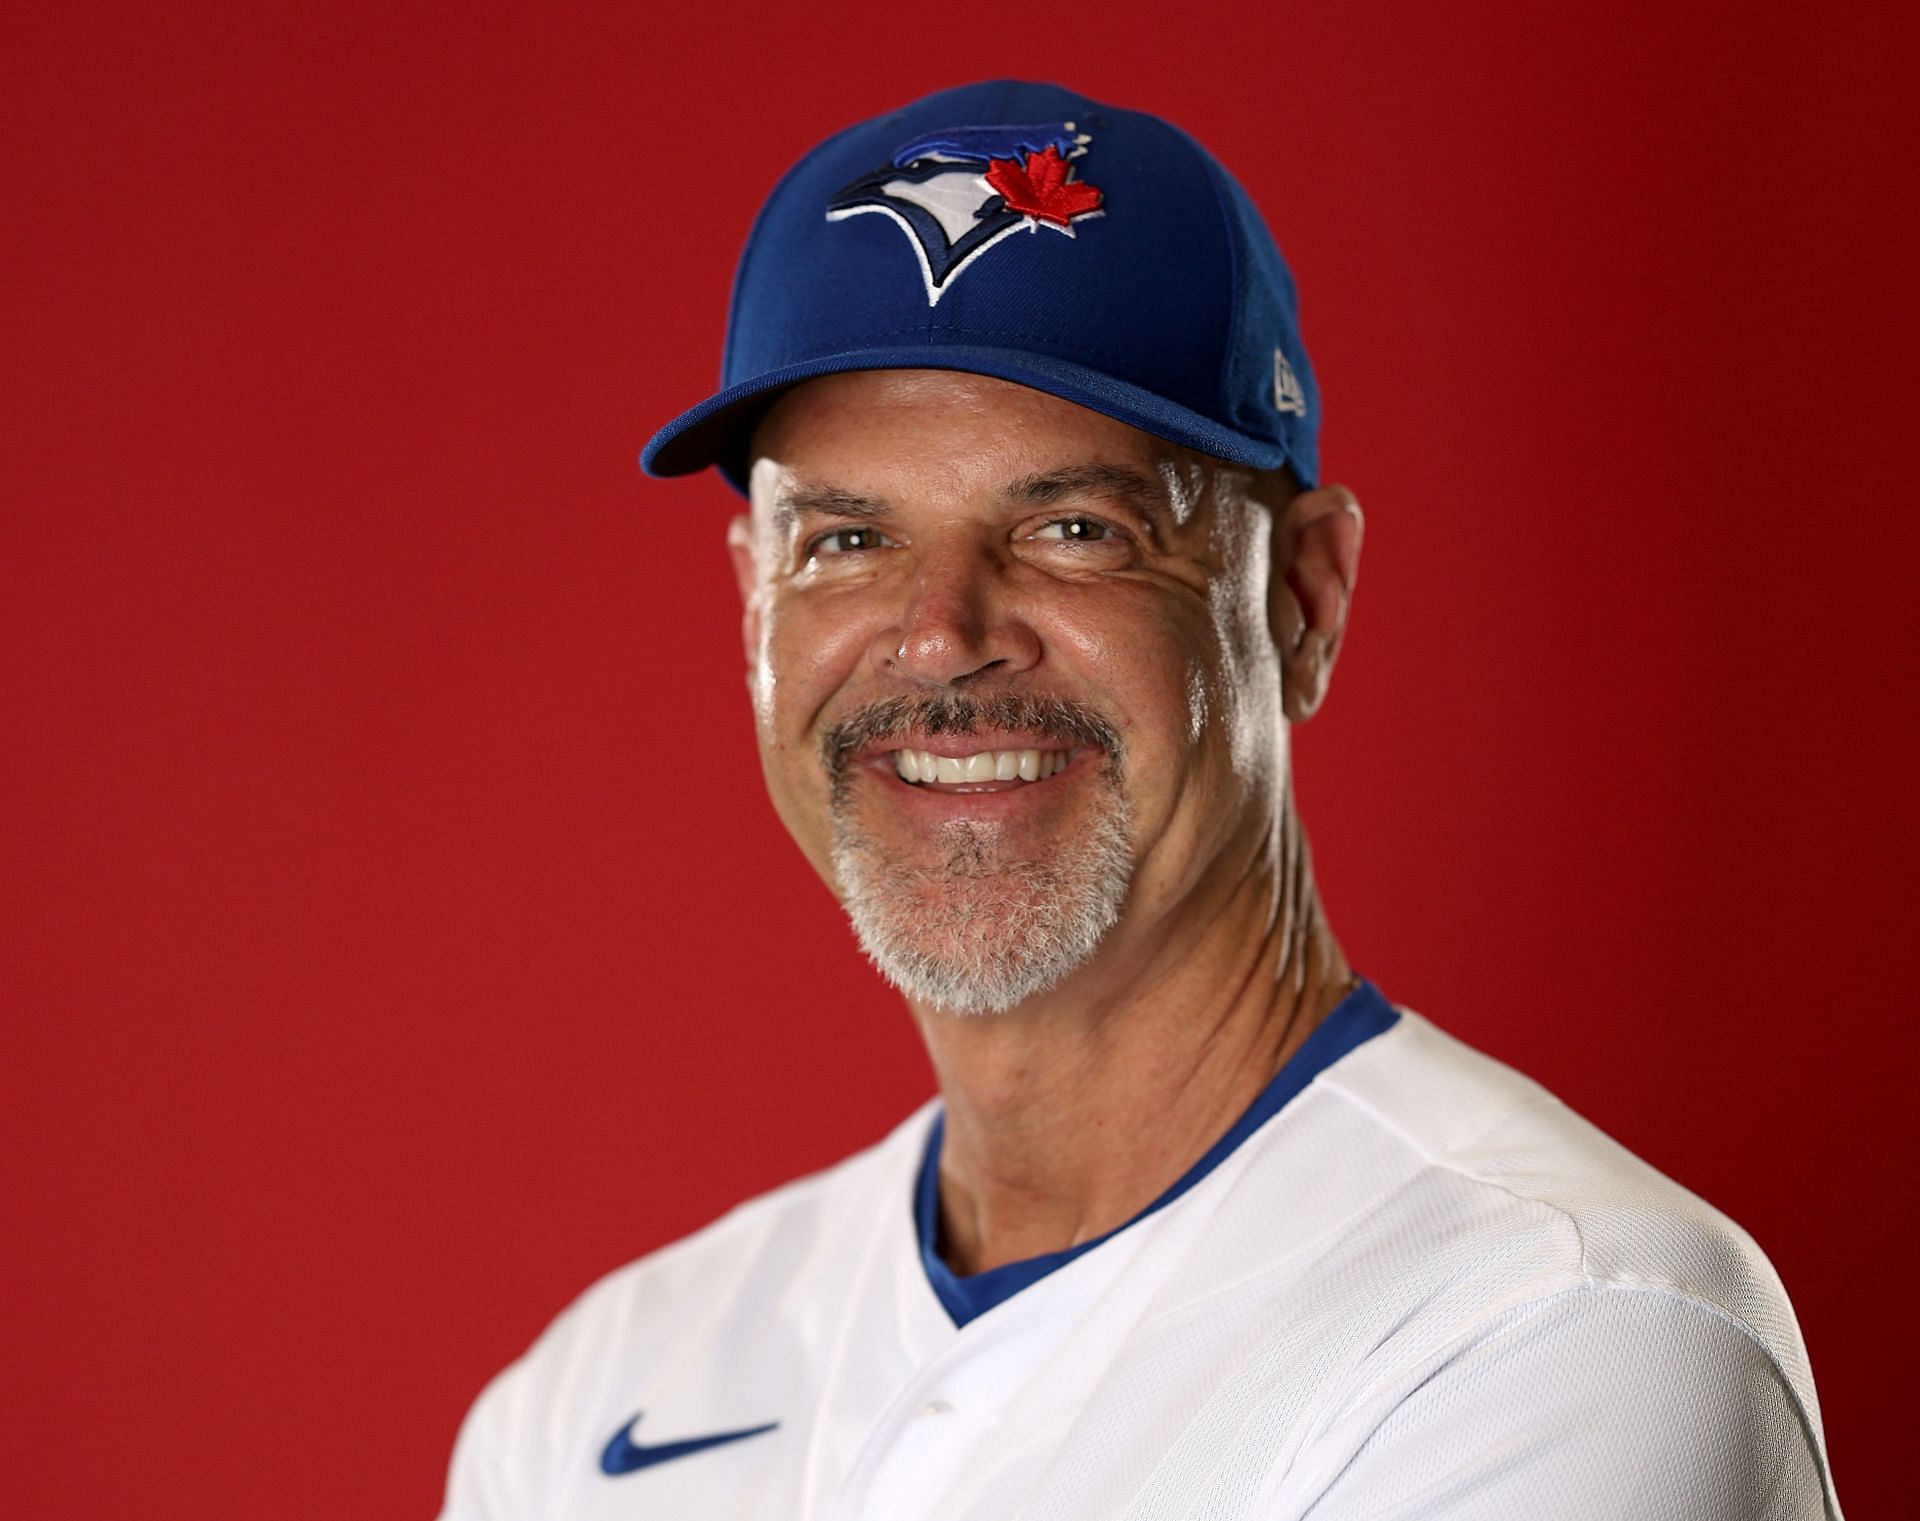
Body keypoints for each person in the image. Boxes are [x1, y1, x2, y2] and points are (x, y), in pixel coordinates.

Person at [437, 80, 1840, 1520]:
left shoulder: (1564, 1333)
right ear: (752, 603)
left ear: (1303, 599)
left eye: (1074, 529)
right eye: (847, 540)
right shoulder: (595, 1393)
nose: (940, 634)